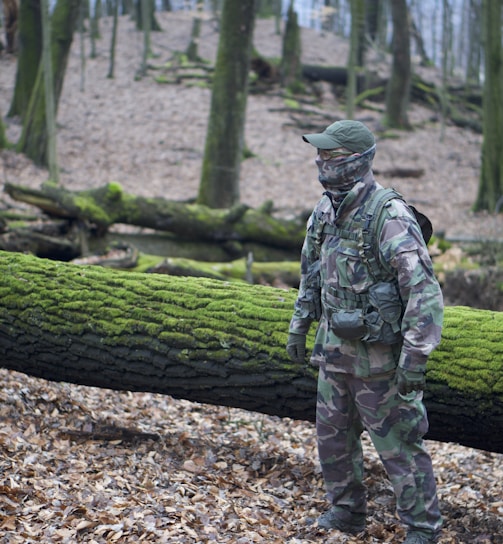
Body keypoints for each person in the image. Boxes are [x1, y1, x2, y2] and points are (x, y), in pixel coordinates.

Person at [286, 120, 444, 544]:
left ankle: (422, 529)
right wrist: (299, 326)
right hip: (333, 353)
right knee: (332, 440)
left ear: (357, 161)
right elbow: (311, 273)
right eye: (320, 154)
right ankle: (346, 511)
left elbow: (424, 295)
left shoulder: (388, 215)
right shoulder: (325, 210)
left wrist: (414, 361)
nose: (321, 162)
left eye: (331, 156)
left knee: (399, 448)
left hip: (380, 363)